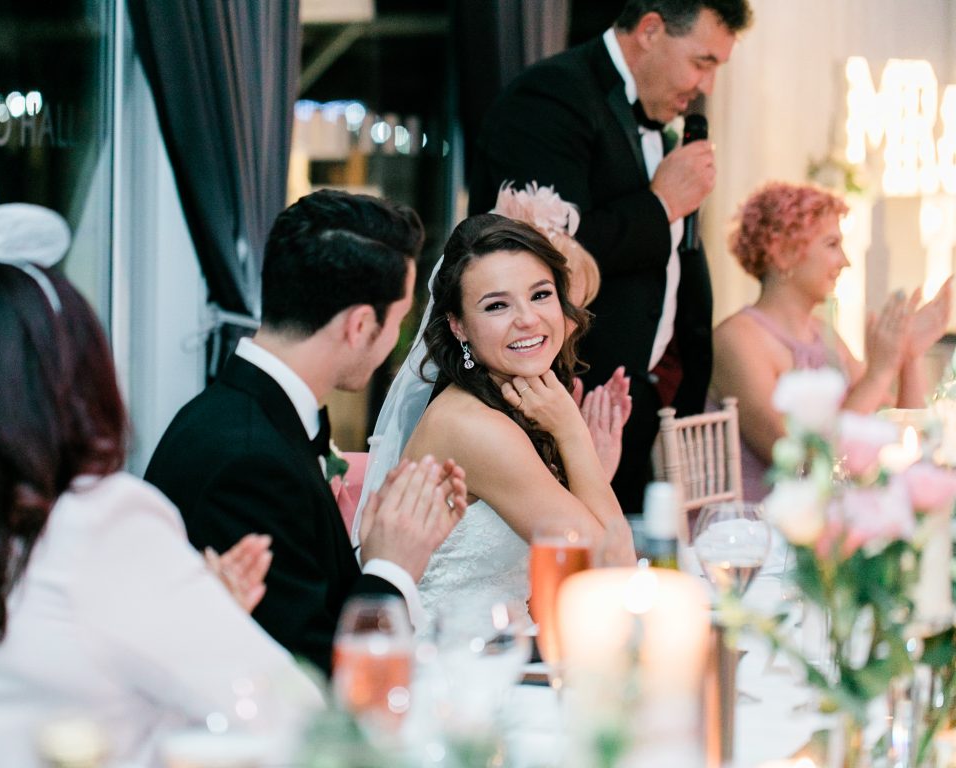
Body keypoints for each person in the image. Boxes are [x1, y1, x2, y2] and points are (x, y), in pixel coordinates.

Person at [0, 177, 323, 768]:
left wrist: (188, 616)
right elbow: (295, 716)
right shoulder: (100, 526)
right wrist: (200, 622)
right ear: (75, 378)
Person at [145, 190, 467, 678]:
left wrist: (372, 549)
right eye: (399, 319)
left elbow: (304, 595)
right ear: (360, 325)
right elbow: (315, 679)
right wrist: (393, 568)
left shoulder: (244, 415)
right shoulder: (249, 463)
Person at [467, 0, 754, 516]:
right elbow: (546, 260)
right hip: (562, 405)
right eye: (702, 62)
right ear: (650, 30)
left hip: (637, 403)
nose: (707, 86)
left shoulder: (660, 123)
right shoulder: (550, 97)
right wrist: (662, 204)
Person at [367, 212, 635, 627]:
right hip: (456, 656)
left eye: (541, 295)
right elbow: (614, 571)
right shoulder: (474, 428)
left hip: (505, 643)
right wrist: (572, 431)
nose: (527, 318)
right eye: (497, 305)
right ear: (458, 326)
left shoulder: (501, 402)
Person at [711, 181, 952, 501]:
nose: (845, 261)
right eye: (831, 244)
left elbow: (898, 438)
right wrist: (878, 373)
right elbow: (803, 464)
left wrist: (909, 356)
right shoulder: (736, 340)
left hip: (833, 517)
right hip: (759, 524)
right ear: (782, 253)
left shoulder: (824, 335)